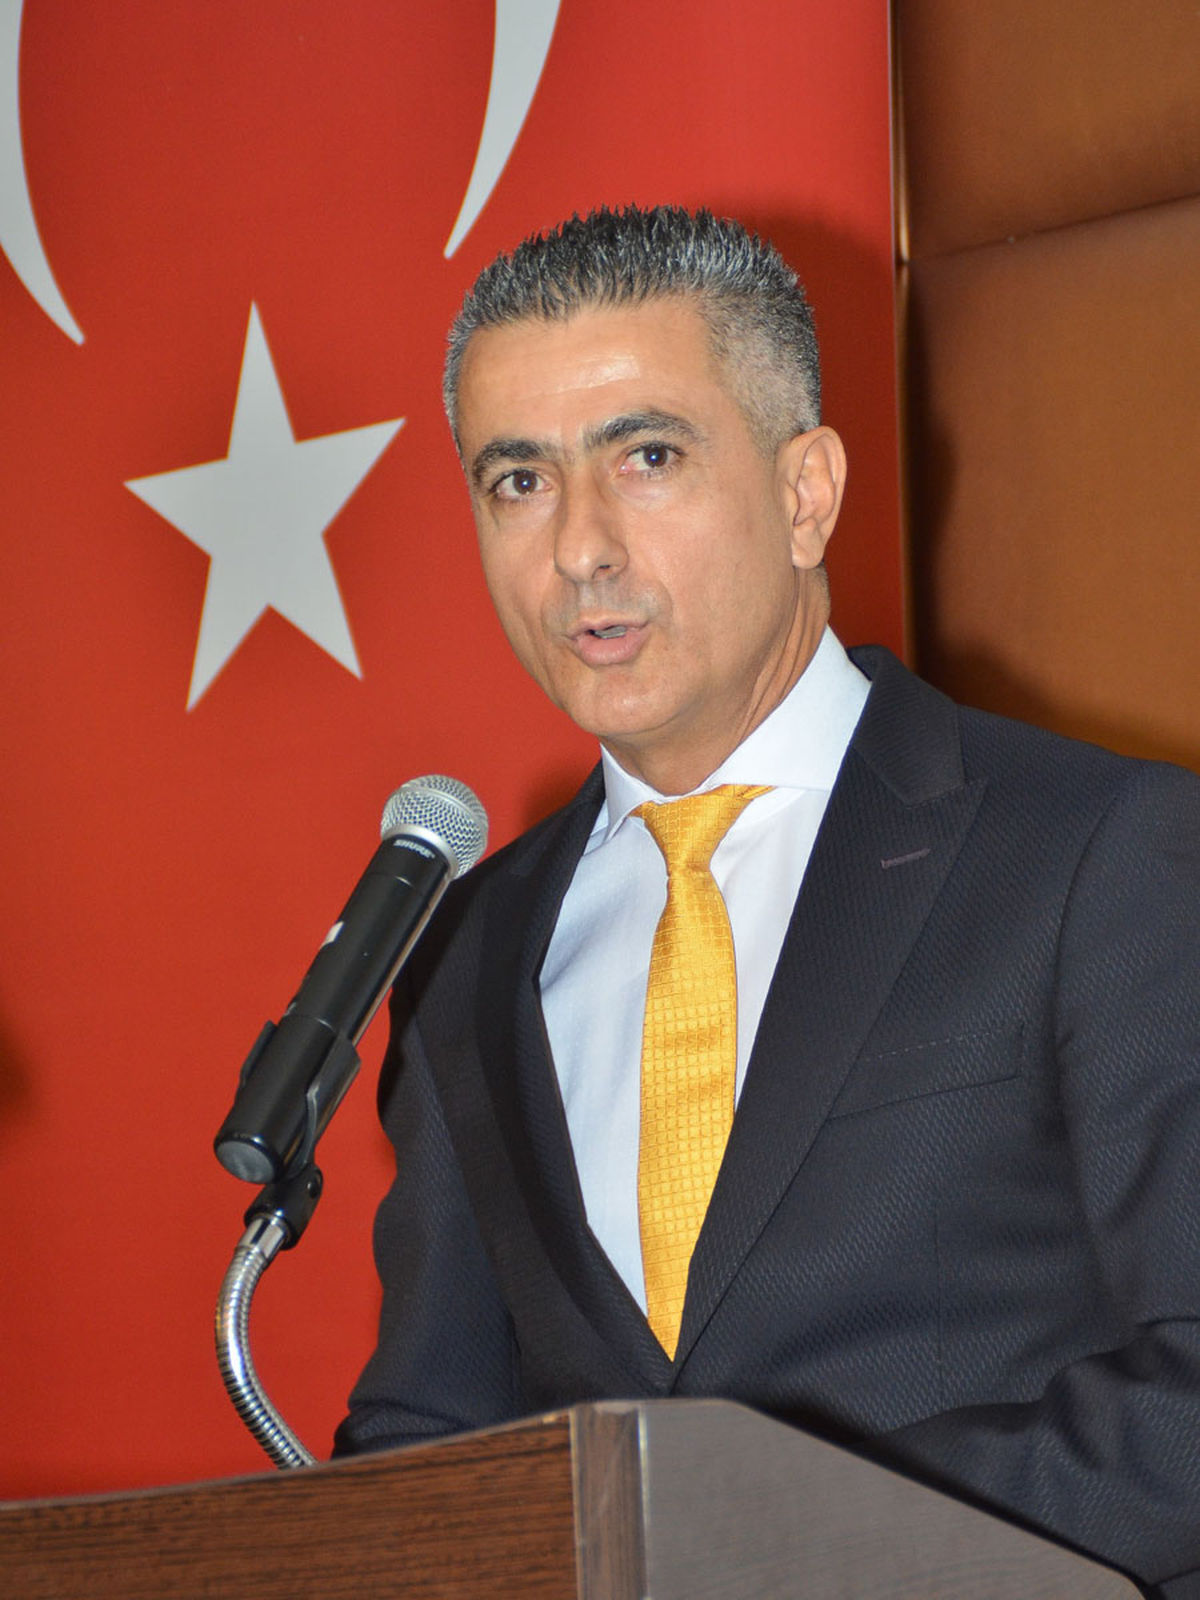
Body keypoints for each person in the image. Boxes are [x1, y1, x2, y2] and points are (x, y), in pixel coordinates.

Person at [334, 206, 1200, 1597]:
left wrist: (761, 1553)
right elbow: (428, 1446)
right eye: (519, 481)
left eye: (648, 458)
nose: (579, 548)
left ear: (808, 493)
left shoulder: (1097, 853)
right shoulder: (462, 957)